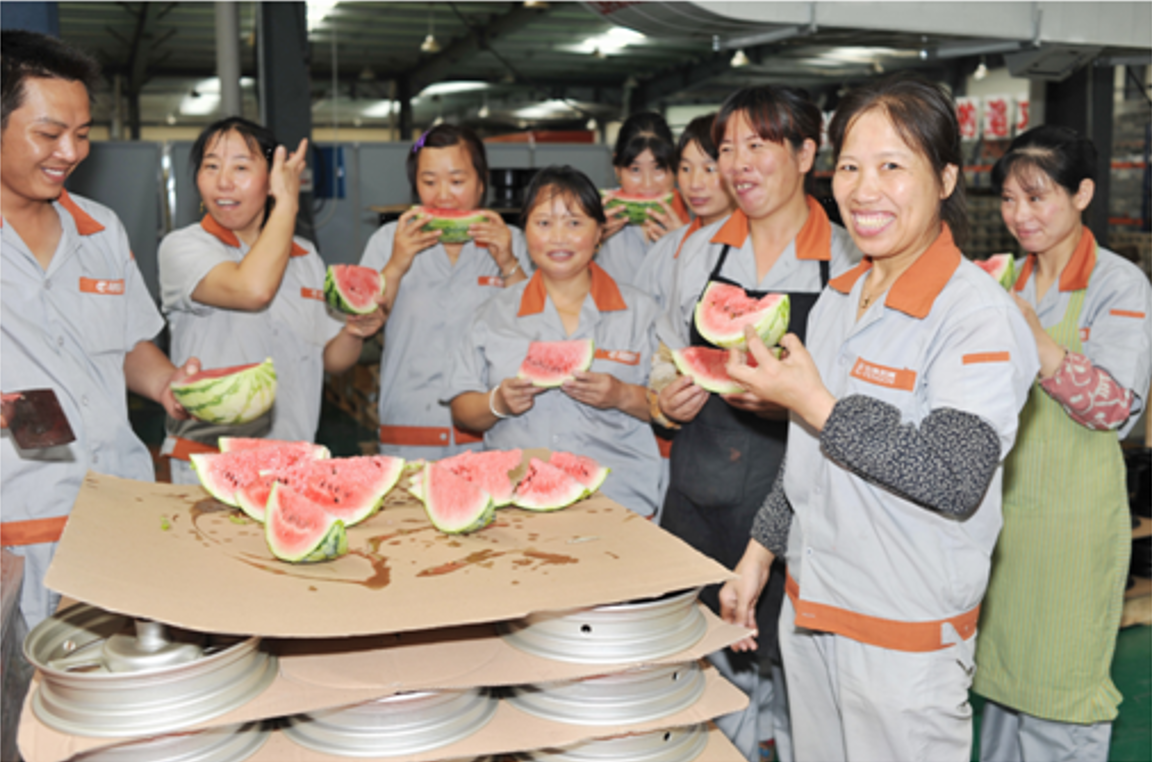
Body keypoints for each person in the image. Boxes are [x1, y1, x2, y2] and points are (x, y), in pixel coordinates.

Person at [718, 75, 1039, 762]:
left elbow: (954, 475)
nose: (865, 191)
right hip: (810, 612)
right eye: (851, 167)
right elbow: (807, 462)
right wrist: (756, 558)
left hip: (901, 638)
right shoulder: (840, 299)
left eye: (892, 166)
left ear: (945, 177)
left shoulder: (975, 315)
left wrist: (816, 402)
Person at [0, 31, 197, 743]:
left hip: (117, 517)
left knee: (123, 718)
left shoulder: (99, 229)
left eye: (82, 134)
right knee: (23, 727)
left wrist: (168, 384)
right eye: (49, 132)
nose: (70, 152)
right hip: (16, 534)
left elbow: (128, 343)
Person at [653, 86, 859, 761]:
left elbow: (857, 400)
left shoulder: (850, 258)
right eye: (726, 148)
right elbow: (665, 355)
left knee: (810, 699)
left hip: (801, 503)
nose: (737, 163)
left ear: (805, 153)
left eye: (757, 145)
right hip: (698, 494)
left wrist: (795, 401)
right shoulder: (698, 252)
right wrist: (663, 401)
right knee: (703, 688)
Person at [973, 125, 1152, 762]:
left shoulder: (1118, 285)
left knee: (1062, 696)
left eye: (1037, 197)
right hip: (1001, 523)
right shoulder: (1004, 280)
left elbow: (1116, 408)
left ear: (1082, 194)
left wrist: (1037, 339)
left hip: (1073, 530)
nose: (1020, 215)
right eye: (1008, 199)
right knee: (999, 695)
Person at [158, 117, 383, 484]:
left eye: (241, 167)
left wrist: (355, 332)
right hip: (210, 465)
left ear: (271, 179)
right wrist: (287, 205)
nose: (223, 181)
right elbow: (252, 290)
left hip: (294, 463)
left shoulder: (305, 256)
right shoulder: (184, 247)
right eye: (211, 166)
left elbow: (331, 360)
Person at [448, 165, 662, 517]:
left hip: (620, 503)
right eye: (544, 223)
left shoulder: (642, 312)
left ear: (599, 232)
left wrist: (622, 395)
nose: (559, 237)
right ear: (525, 231)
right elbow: (461, 407)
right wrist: (497, 402)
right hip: (516, 500)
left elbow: (669, 406)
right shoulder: (492, 314)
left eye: (574, 223)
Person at [360, 124, 531, 463]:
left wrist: (508, 263)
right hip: (409, 430)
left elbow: (533, 328)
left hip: (492, 434)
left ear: (481, 182)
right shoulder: (388, 241)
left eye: (457, 181)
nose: (443, 196)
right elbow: (363, 321)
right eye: (429, 182)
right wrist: (396, 263)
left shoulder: (511, 241)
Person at [636, 112, 737, 514]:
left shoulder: (757, 247)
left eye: (709, 169)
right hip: (668, 419)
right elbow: (648, 333)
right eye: (685, 168)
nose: (695, 183)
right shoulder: (667, 246)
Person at [597, 111, 690, 287]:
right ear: (617, 169)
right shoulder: (597, 216)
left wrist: (689, 247)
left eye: (658, 168)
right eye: (635, 169)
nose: (648, 184)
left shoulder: (699, 212)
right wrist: (589, 243)